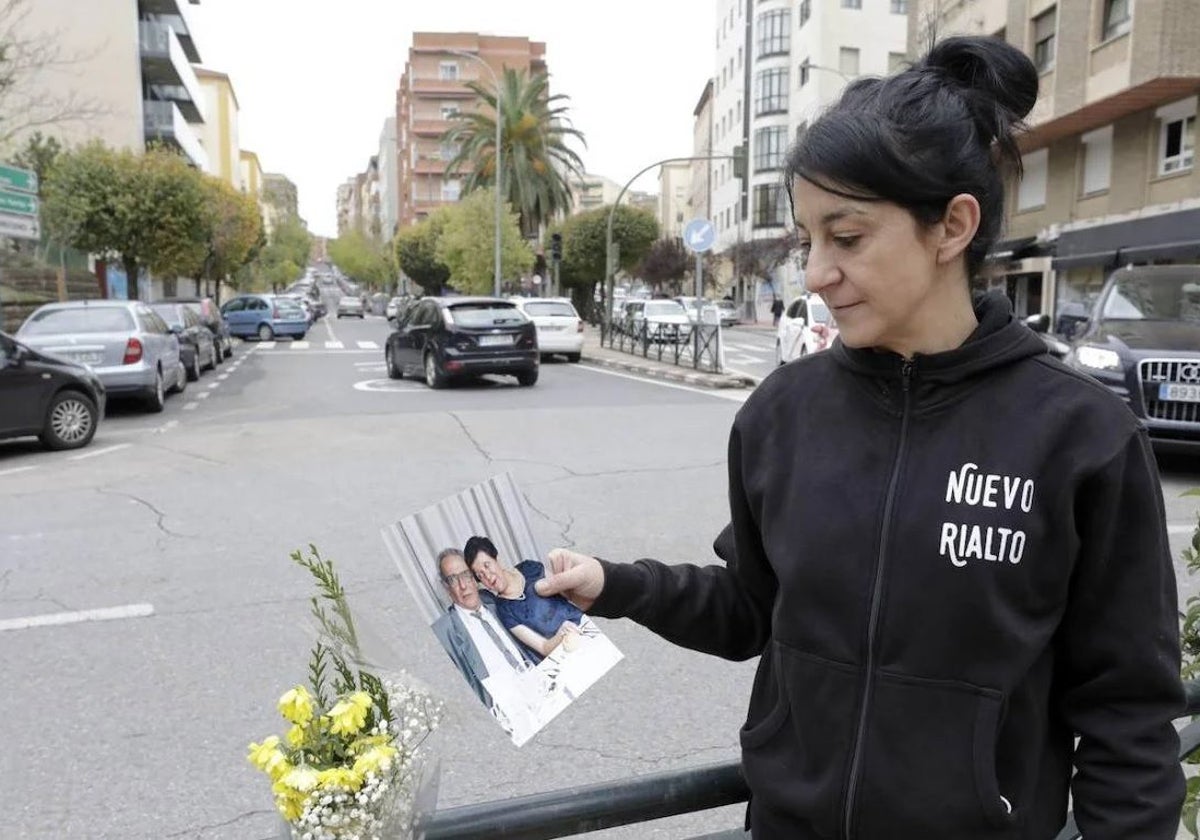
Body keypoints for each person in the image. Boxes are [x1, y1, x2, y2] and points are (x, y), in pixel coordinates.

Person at [536, 36, 1184, 840]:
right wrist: (614, 584)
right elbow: (753, 608)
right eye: (807, 240)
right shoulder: (781, 414)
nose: (814, 272)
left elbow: (1128, 714)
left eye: (846, 238)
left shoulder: (1082, 435)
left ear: (952, 225)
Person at [430, 548, 535, 711]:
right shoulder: (442, 633)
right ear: (446, 586)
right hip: (508, 712)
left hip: (537, 683)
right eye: (453, 579)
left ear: (474, 576)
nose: (463, 586)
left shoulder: (494, 599)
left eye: (466, 575)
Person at [464, 536, 584, 664]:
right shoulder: (504, 610)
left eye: (487, 566)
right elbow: (544, 647)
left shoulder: (531, 568)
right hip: (563, 655)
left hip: (585, 628)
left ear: (497, 559)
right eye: (480, 575)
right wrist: (561, 634)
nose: (487, 576)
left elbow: (569, 595)